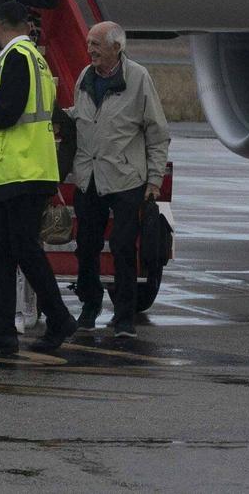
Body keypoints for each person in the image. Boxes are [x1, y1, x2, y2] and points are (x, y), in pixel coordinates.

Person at [0, 0, 77, 357]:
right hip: (18, 171)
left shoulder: (16, 57)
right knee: (2, 252)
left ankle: (56, 318)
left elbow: (8, 112)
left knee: (20, 249)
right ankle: (3, 330)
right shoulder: (36, 59)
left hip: (18, 172)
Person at [68, 21, 170, 337]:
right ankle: (90, 305)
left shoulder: (138, 78)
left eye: (96, 44)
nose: (90, 49)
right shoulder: (85, 77)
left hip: (126, 178)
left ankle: (124, 317)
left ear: (116, 47)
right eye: (89, 43)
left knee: (123, 247)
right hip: (89, 177)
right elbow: (81, 117)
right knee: (86, 246)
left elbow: (157, 132)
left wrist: (154, 180)